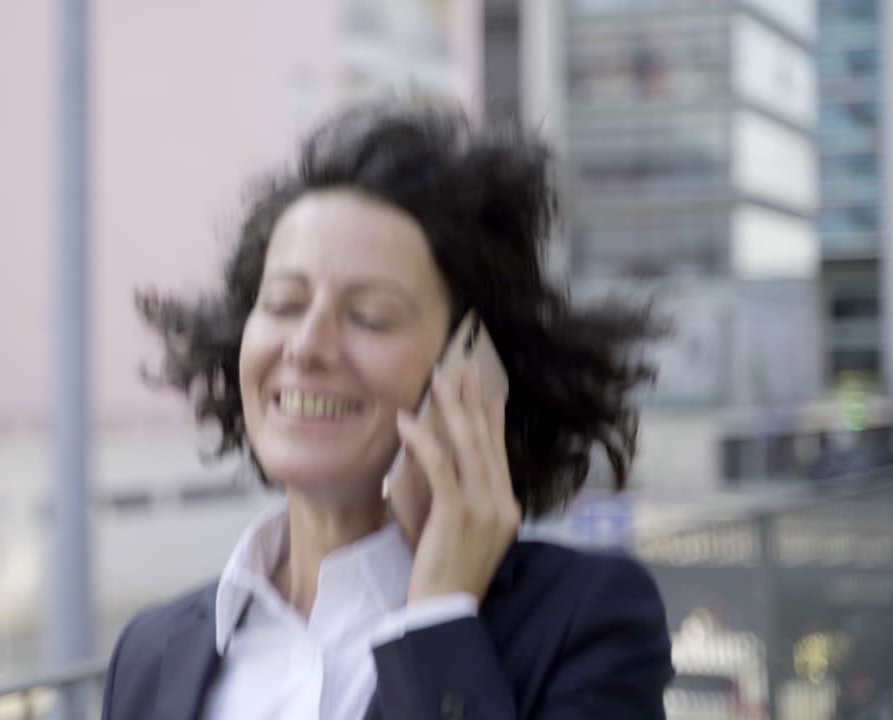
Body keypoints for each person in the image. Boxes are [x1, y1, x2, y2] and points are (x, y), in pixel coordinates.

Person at [102, 97, 674, 720]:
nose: (306, 346)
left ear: (474, 366)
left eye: (369, 315)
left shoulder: (585, 623)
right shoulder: (151, 652)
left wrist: (438, 626)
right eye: (284, 304)